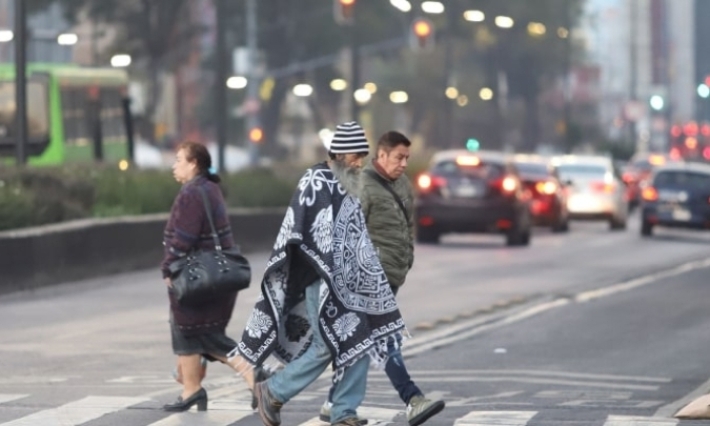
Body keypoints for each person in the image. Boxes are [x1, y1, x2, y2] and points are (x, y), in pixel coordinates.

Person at [227, 121, 406, 426]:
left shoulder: (348, 182)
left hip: (347, 284)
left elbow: (354, 236)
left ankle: (343, 412)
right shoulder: (316, 179)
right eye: (354, 156)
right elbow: (301, 230)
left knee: (356, 344)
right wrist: (327, 269)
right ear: (337, 153)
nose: (359, 161)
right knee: (329, 345)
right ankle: (272, 390)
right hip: (319, 279)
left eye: (362, 155)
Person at [320, 131, 445, 426]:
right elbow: (348, 231)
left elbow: (407, 224)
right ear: (382, 155)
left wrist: (408, 256)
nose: (403, 164)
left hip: (394, 272)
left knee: (360, 340)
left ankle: (331, 403)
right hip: (370, 277)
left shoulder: (402, 184)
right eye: (399, 157)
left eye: (407, 158)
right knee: (385, 338)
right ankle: (413, 399)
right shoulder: (362, 184)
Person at [160, 141, 254, 411]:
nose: (174, 165)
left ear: (193, 164)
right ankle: (192, 389)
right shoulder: (209, 188)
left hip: (196, 276)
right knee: (187, 332)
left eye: (179, 160)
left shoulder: (192, 194)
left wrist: (168, 267)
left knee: (205, 336)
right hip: (213, 275)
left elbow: (184, 238)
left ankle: (253, 374)